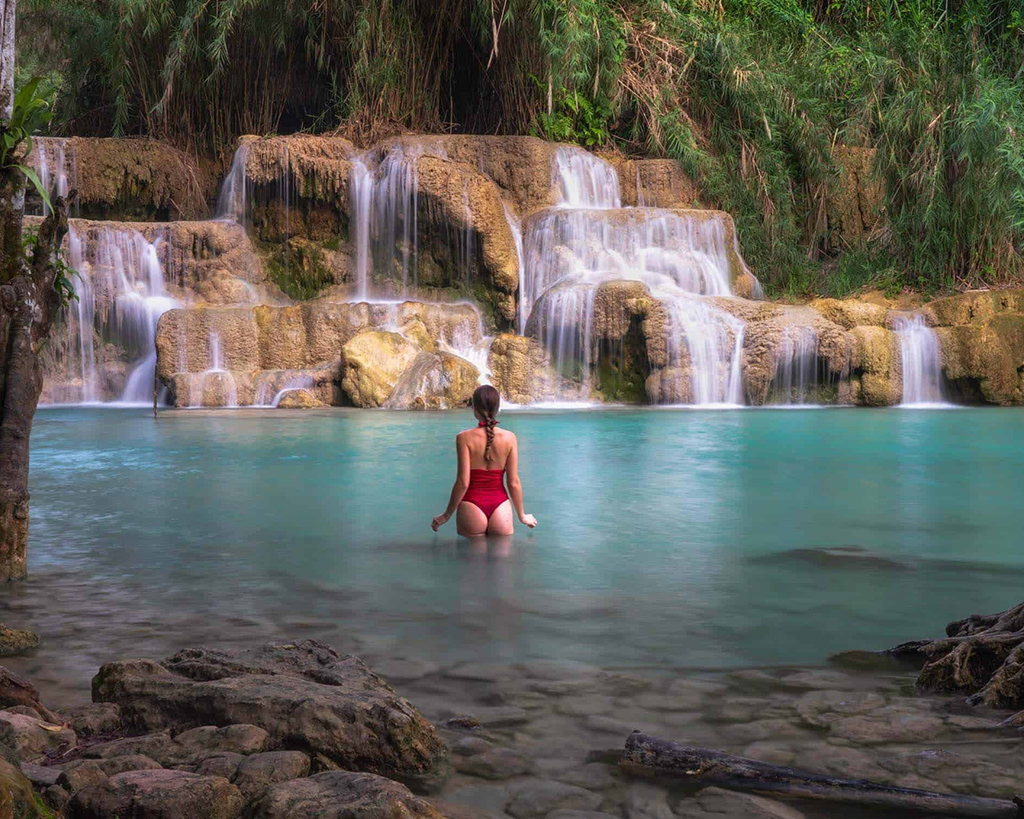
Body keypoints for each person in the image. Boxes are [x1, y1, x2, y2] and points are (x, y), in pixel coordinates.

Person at [432, 385, 538, 537]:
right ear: (497, 408)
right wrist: (522, 515)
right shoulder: (510, 438)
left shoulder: (464, 438)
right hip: (501, 508)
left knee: (473, 559)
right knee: (500, 559)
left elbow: (463, 483)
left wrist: (446, 515)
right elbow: (513, 482)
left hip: (471, 505)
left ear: (474, 407)